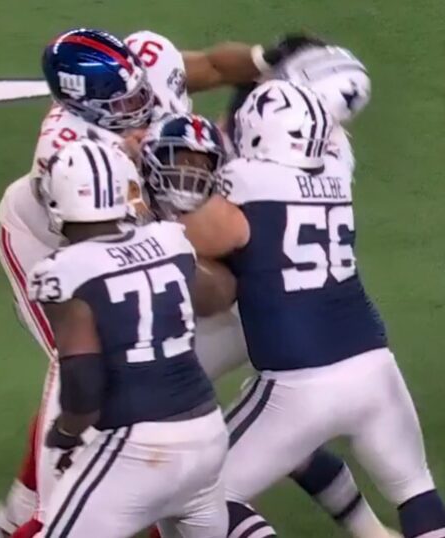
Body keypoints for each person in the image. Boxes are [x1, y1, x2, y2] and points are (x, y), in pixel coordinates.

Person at [0, 28, 394, 538]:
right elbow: (171, 257)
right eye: (126, 101)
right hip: (61, 244)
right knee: (94, 380)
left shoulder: (150, 67)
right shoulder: (76, 159)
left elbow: (216, 69)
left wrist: (265, 61)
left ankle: (31, 506)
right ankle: (36, 506)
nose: (142, 104)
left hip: (156, 243)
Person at [181, 78, 445, 538]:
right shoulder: (337, 171)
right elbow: (334, 139)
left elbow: (201, 234)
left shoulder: (244, 180)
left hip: (299, 382)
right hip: (374, 366)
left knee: (195, 498)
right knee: (415, 490)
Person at [28, 138, 227, 537]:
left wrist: (66, 434)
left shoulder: (62, 271)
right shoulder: (170, 240)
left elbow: (84, 386)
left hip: (139, 445)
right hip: (207, 433)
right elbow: (216, 296)